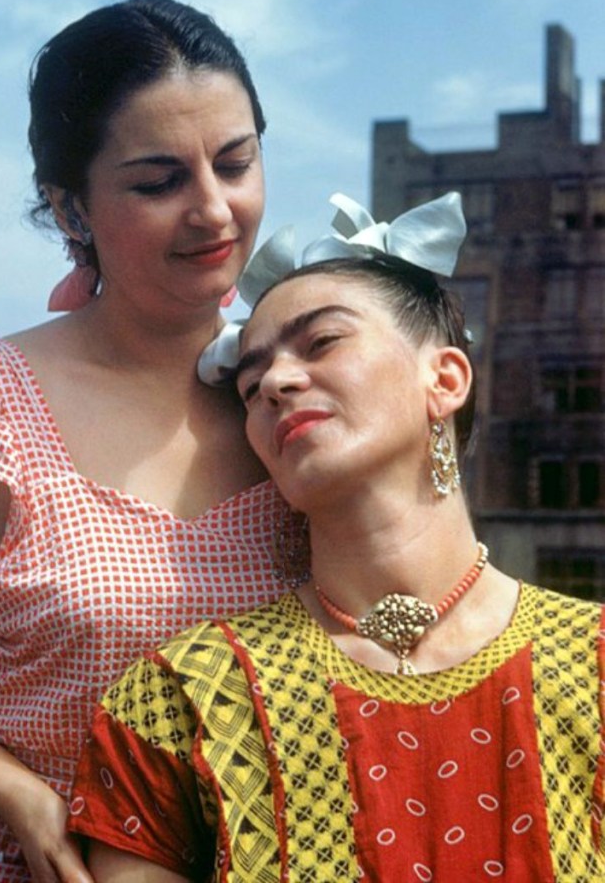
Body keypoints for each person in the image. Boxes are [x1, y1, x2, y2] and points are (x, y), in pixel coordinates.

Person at [68, 193, 605, 882]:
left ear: (444, 378)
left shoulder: (593, 663)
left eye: (322, 342)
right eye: (250, 382)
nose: (275, 384)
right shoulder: (177, 698)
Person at [0, 0, 297, 883]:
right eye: (157, 180)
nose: (213, 210)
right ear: (71, 207)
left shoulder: (302, 391)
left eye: (235, 163)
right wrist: (25, 800)